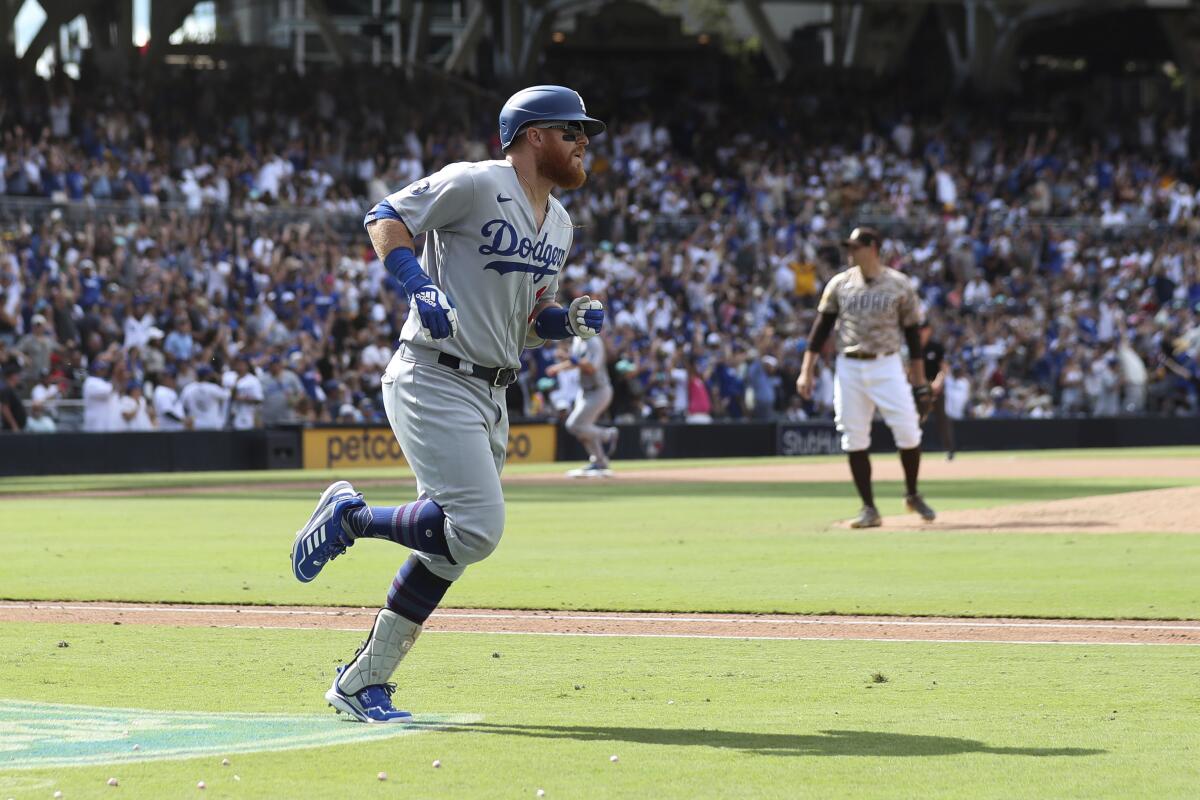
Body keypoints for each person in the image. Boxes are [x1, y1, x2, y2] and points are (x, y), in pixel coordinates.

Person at [289, 84, 606, 723]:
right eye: (572, 131)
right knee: (479, 530)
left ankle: (361, 682)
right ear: (533, 135)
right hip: (433, 374)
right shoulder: (475, 182)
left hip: (493, 388)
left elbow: (529, 316)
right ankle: (351, 519)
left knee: (449, 549)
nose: (583, 143)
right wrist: (418, 285)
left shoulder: (562, 223)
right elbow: (384, 215)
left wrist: (563, 320)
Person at [795, 226, 936, 528]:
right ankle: (869, 508)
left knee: (909, 431)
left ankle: (912, 494)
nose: (850, 253)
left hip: (886, 364)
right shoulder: (840, 284)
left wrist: (919, 380)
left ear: (873, 248)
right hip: (850, 366)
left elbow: (912, 335)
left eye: (856, 247)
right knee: (854, 436)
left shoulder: (899, 284)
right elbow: (820, 330)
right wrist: (806, 370)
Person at [547, 330, 618, 477]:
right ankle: (599, 462)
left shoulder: (594, 341)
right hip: (584, 391)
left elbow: (591, 367)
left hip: (599, 390)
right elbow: (577, 363)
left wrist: (568, 357)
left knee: (574, 425)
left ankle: (608, 435)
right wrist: (558, 368)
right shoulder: (578, 340)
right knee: (583, 430)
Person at [919, 321, 956, 459]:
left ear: (929, 330)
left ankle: (949, 450)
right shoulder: (914, 347)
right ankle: (912, 450)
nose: (920, 331)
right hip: (919, 388)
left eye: (923, 329)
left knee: (942, 419)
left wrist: (937, 383)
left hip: (936, 388)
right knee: (915, 420)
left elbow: (944, 367)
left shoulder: (936, 347)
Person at [180, 366, 231, 430]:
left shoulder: (188, 388)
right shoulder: (213, 388)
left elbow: (183, 406)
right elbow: (228, 395)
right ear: (208, 376)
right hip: (213, 425)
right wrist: (220, 380)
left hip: (195, 425)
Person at [229, 355, 265, 430]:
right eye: (238, 364)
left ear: (247, 366)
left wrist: (244, 398)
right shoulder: (230, 376)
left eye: (242, 364)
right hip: (231, 414)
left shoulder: (253, 380)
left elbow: (259, 399)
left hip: (247, 415)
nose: (239, 366)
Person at [0, 363, 26, 431]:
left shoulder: (12, 390)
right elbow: (5, 409)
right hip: (11, 430)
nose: (19, 377)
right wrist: (14, 425)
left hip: (18, 428)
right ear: (12, 376)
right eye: (17, 375)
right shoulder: (6, 390)